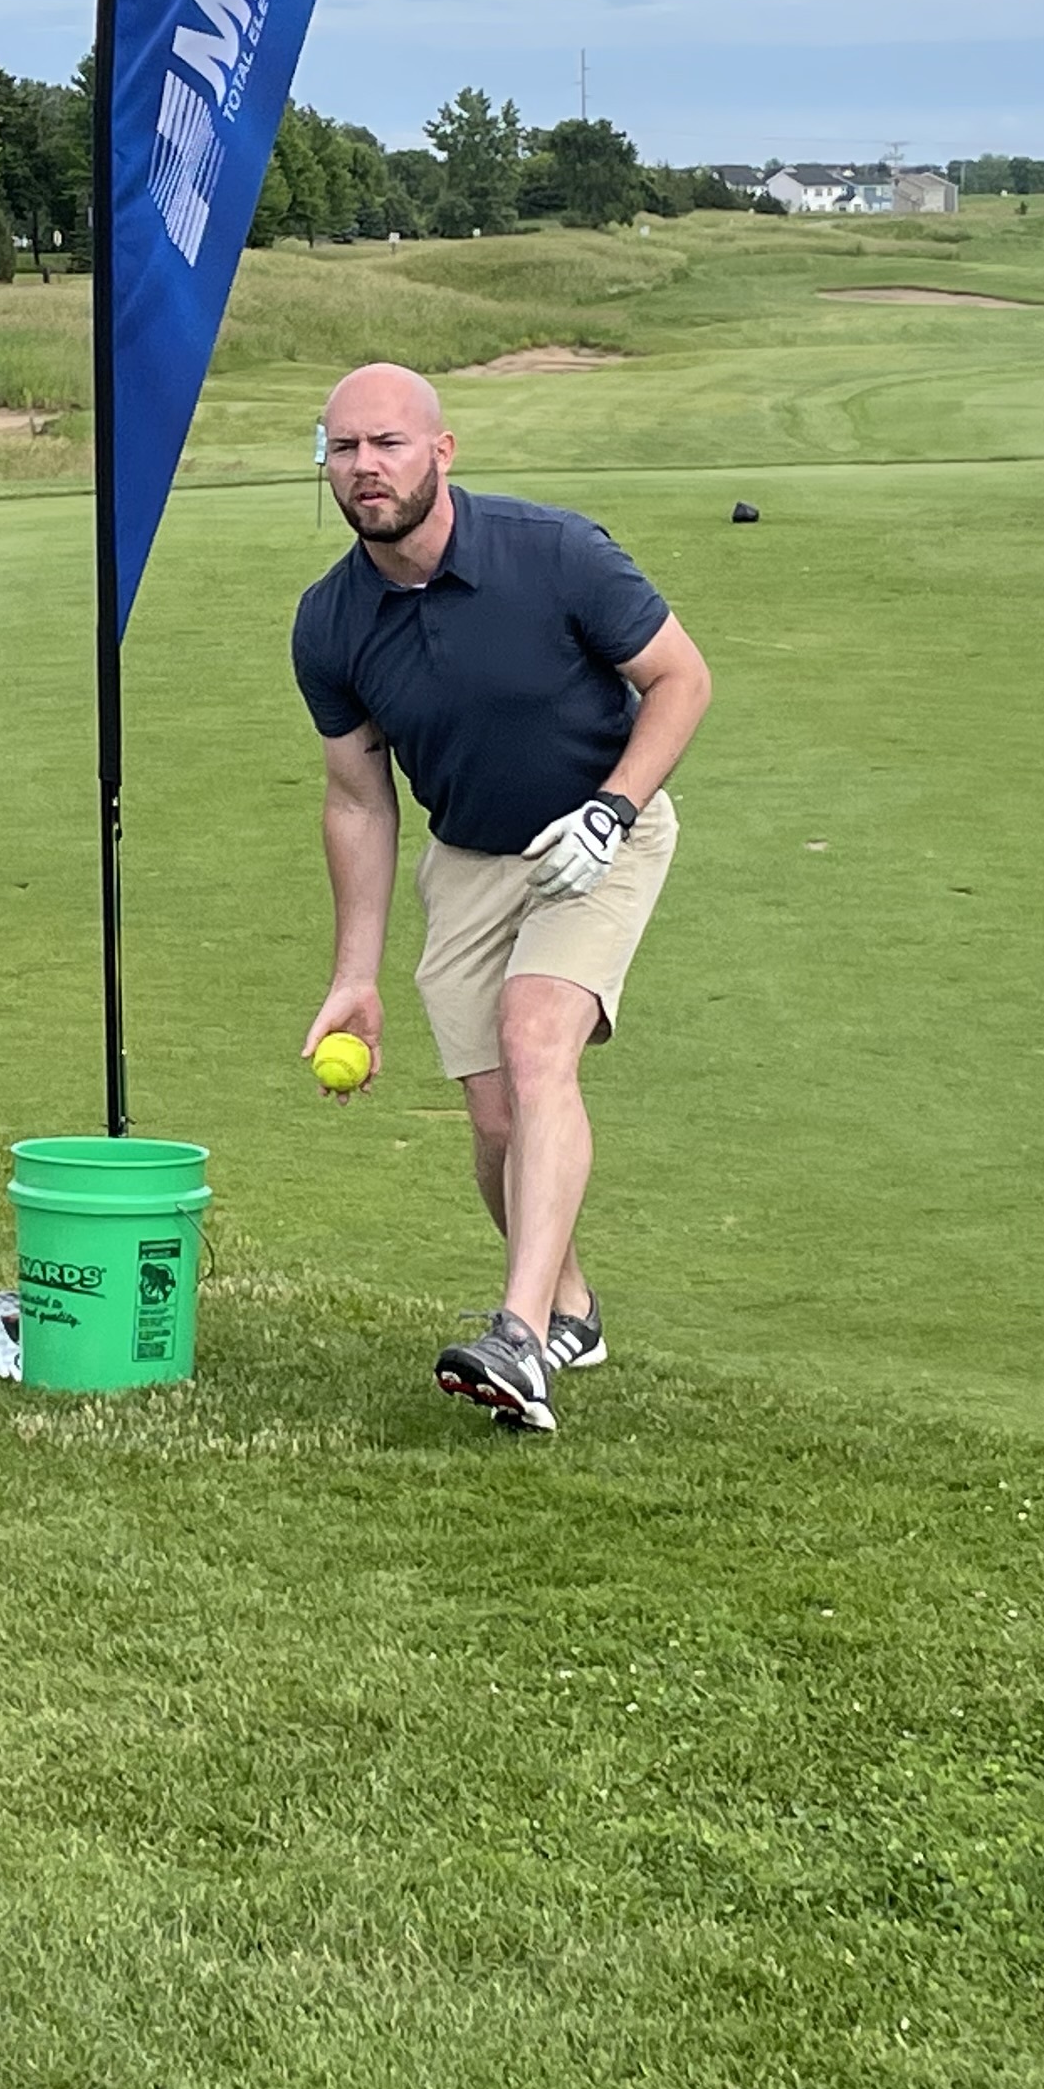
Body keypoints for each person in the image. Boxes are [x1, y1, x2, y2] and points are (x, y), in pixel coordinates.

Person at [291, 363, 714, 1435]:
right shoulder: (330, 621)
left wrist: (613, 810)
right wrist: (354, 976)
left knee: (535, 1043)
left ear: (442, 451)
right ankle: (570, 1309)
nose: (365, 467)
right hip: (470, 856)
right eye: (345, 448)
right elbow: (359, 802)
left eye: (388, 443)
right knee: (493, 1119)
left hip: (602, 831)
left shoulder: (555, 551)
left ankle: (519, 1337)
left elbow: (682, 679)